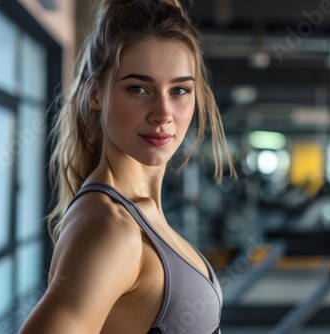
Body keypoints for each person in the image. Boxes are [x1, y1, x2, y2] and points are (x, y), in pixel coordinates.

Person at [19, 0, 235, 333]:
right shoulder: (112, 227)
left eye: (179, 90)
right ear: (96, 92)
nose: (163, 112)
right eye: (138, 88)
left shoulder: (139, 213)